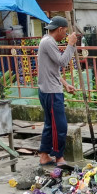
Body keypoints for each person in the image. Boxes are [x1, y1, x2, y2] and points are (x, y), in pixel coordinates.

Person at [37, 16, 78, 166]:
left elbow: (52, 70)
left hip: (47, 89)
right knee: (60, 126)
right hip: (51, 92)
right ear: (60, 29)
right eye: (65, 32)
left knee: (50, 124)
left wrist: (65, 84)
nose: (65, 35)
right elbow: (62, 62)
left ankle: (44, 155)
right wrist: (71, 44)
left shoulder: (46, 41)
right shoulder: (48, 42)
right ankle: (59, 157)